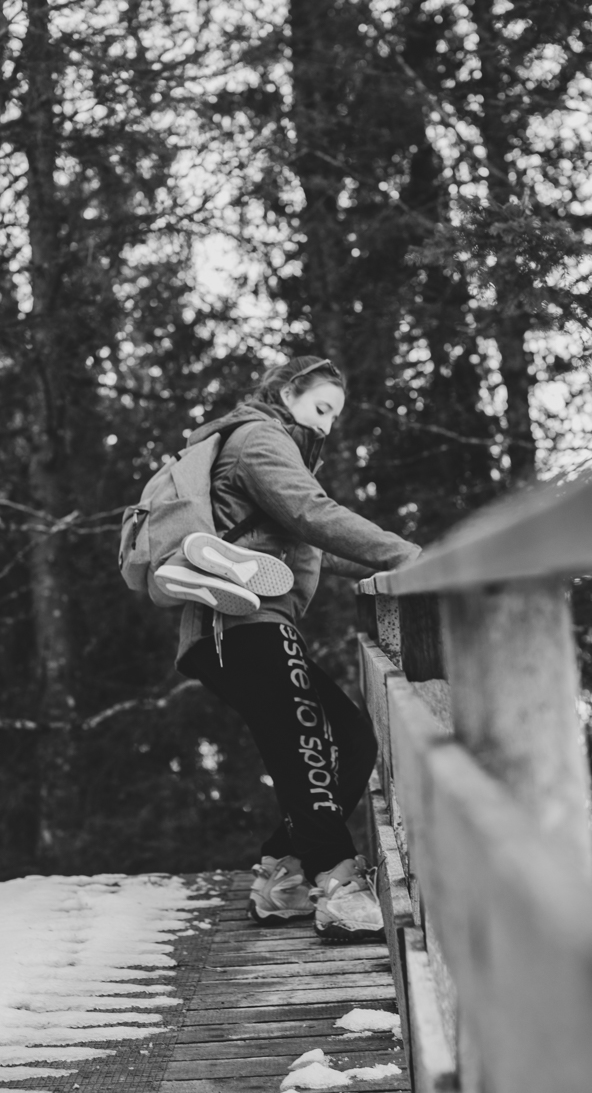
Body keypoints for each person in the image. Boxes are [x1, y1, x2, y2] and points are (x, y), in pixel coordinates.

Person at [153, 356, 422, 940]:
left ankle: (284, 876)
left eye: (335, 417)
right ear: (287, 391)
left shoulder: (265, 443)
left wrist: (385, 557)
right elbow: (313, 513)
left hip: (237, 631)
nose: (327, 425)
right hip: (246, 623)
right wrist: (411, 556)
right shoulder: (260, 439)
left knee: (348, 739)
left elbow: (312, 538)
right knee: (307, 747)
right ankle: (337, 885)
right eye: (321, 408)